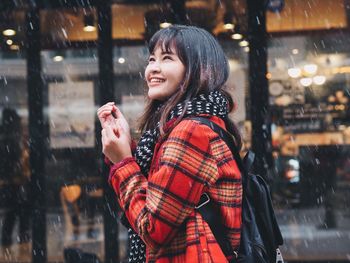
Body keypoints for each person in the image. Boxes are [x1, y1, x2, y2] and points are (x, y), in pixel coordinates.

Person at [97, 25, 242, 262]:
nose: (152, 68)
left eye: (167, 58)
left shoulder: (191, 131)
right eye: (151, 59)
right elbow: (162, 193)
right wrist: (126, 147)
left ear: (197, 69)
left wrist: (123, 162)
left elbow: (153, 230)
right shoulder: (192, 124)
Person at [0, 108, 31, 247]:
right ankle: (20, 240)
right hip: (13, 181)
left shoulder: (9, 138)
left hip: (12, 181)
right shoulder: (9, 140)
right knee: (16, 211)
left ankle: (13, 241)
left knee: (14, 212)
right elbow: (9, 162)